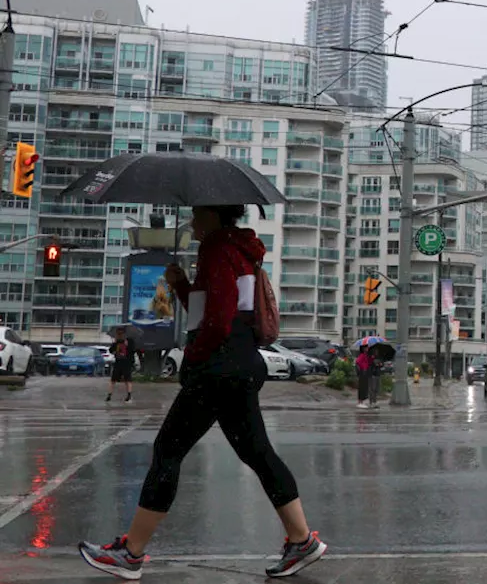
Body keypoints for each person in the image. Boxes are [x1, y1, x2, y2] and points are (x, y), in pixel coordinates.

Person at [79, 204, 327, 580]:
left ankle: (131, 554)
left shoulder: (217, 248)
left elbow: (219, 317)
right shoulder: (240, 249)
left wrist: (194, 356)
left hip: (218, 368)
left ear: (214, 215)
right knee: (259, 454)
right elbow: (213, 308)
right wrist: (181, 284)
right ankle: (301, 540)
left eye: (198, 215)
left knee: (168, 451)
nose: (193, 221)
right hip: (241, 363)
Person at [106, 326, 134, 404]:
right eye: (118, 333)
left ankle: (129, 395)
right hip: (118, 363)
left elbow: (133, 350)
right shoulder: (117, 341)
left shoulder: (129, 340)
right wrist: (114, 343)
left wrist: (127, 345)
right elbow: (111, 350)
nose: (119, 335)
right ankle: (109, 395)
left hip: (126, 363)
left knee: (127, 379)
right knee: (113, 380)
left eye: (121, 333)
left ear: (124, 333)